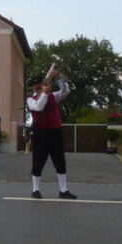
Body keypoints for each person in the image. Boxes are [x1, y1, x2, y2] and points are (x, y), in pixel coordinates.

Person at [26, 70, 76, 199]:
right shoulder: (30, 100)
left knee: (60, 161)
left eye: (39, 83)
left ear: (43, 83)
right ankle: (35, 190)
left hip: (55, 132)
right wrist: (44, 93)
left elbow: (66, 90)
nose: (37, 86)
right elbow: (39, 107)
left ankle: (63, 190)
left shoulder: (53, 96)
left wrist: (58, 78)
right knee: (38, 161)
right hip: (40, 133)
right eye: (34, 85)